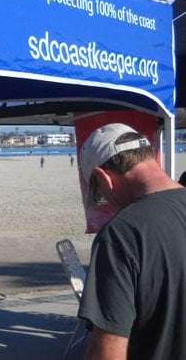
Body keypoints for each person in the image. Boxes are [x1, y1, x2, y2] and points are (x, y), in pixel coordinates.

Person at [77, 123, 186, 359]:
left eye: (98, 194)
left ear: (102, 177)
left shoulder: (120, 235)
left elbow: (108, 353)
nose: (105, 202)